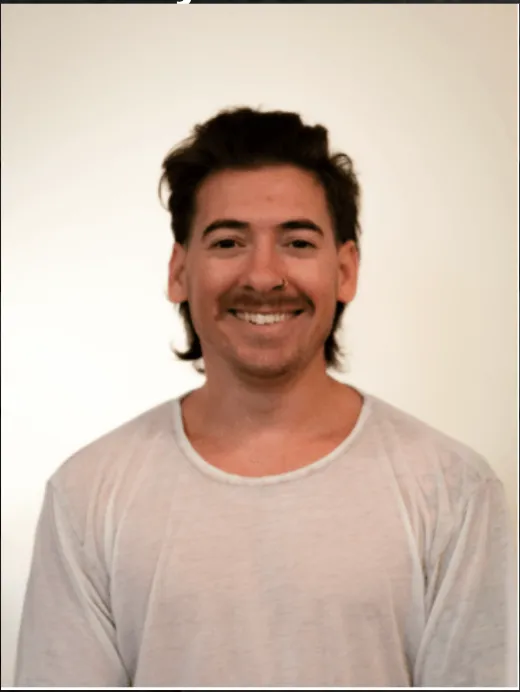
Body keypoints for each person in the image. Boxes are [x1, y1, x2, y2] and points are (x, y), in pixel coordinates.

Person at [14, 107, 516, 688]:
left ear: (345, 270)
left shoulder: (453, 490)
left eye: (297, 242)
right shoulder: (87, 494)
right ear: (179, 271)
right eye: (228, 242)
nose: (263, 276)